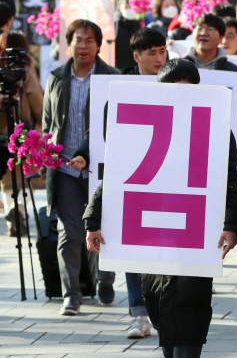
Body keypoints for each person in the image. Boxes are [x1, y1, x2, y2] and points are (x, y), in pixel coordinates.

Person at [83, 58, 237, 358]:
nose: (181, 93)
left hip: (195, 227)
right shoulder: (140, 124)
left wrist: (232, 224)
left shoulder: (216, 125)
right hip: (150, 228)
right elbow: (116, 176)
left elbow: (227, 181)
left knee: (191, 299)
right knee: (157, 301)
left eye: (188, 87)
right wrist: (93, 220)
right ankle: (170, 346)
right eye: (173, 87)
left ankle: (186, 350)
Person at [71, 27, 167, 337]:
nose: (158, 57)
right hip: (132, 181)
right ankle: (139, 313)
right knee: (131, 249)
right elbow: (97, 135)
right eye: (151, 52)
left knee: (164, 251)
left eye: (162, 51)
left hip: (169, 182)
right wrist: (84, 156)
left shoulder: (179, 85)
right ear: (137, 56)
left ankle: (162, 310)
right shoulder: (119, 89)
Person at [42, 19, 119, 316]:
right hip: (64, 171)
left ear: (99, 45)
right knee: (70, 232)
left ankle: (104, 279)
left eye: (89, 40)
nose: (83, 45)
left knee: (105, 227)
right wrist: (45, 154)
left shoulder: (111, 77)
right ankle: (71, 294)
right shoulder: (57, 77)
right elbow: (49, 122)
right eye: (78, 39)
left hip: (101, 170)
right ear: (68, 43)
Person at [0, 31, 43, 236]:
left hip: (1, 132)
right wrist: (42, 123)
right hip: (22, 130)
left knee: (6, 178)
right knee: (24, 175)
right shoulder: (24, 68)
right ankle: (18, 210)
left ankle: (11, 212)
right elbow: (37, 100)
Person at [114, 0, 143, 70]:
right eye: (127, 6)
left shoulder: (139, 24)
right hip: (118, 69)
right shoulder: (114, 26)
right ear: (120, 7)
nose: (130, 8)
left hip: (135, 69)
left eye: (132, 6)